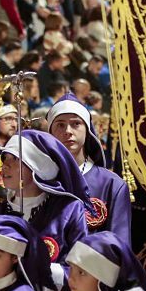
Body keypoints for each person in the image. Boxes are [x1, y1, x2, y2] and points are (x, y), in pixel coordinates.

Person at [0, 129, 91, 291]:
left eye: (16, 159)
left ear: (38, 166)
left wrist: (35, 270)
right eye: (5, 158)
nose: (5, 165)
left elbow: (81, 269)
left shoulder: (68, 210)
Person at [46, 93, 131, 241]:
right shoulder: (40, 180)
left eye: (75, 124)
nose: (68, 131)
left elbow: (119, 245)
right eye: (60, 124)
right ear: (50, 132)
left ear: (87, 130)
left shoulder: (111, 184)